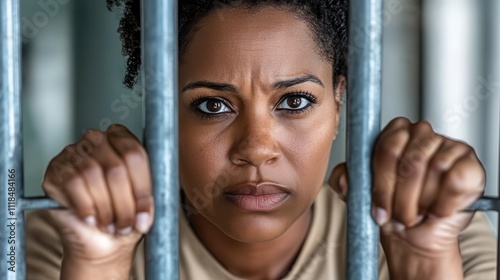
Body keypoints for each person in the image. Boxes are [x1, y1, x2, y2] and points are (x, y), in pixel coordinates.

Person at [26, 0, 497, 279]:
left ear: (339, 103)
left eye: (293, 102)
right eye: (213, 105)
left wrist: (426, 263)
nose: (255, 148)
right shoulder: (71, 231)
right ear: (164, 112)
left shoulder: (436, 223)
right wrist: (97, 264)